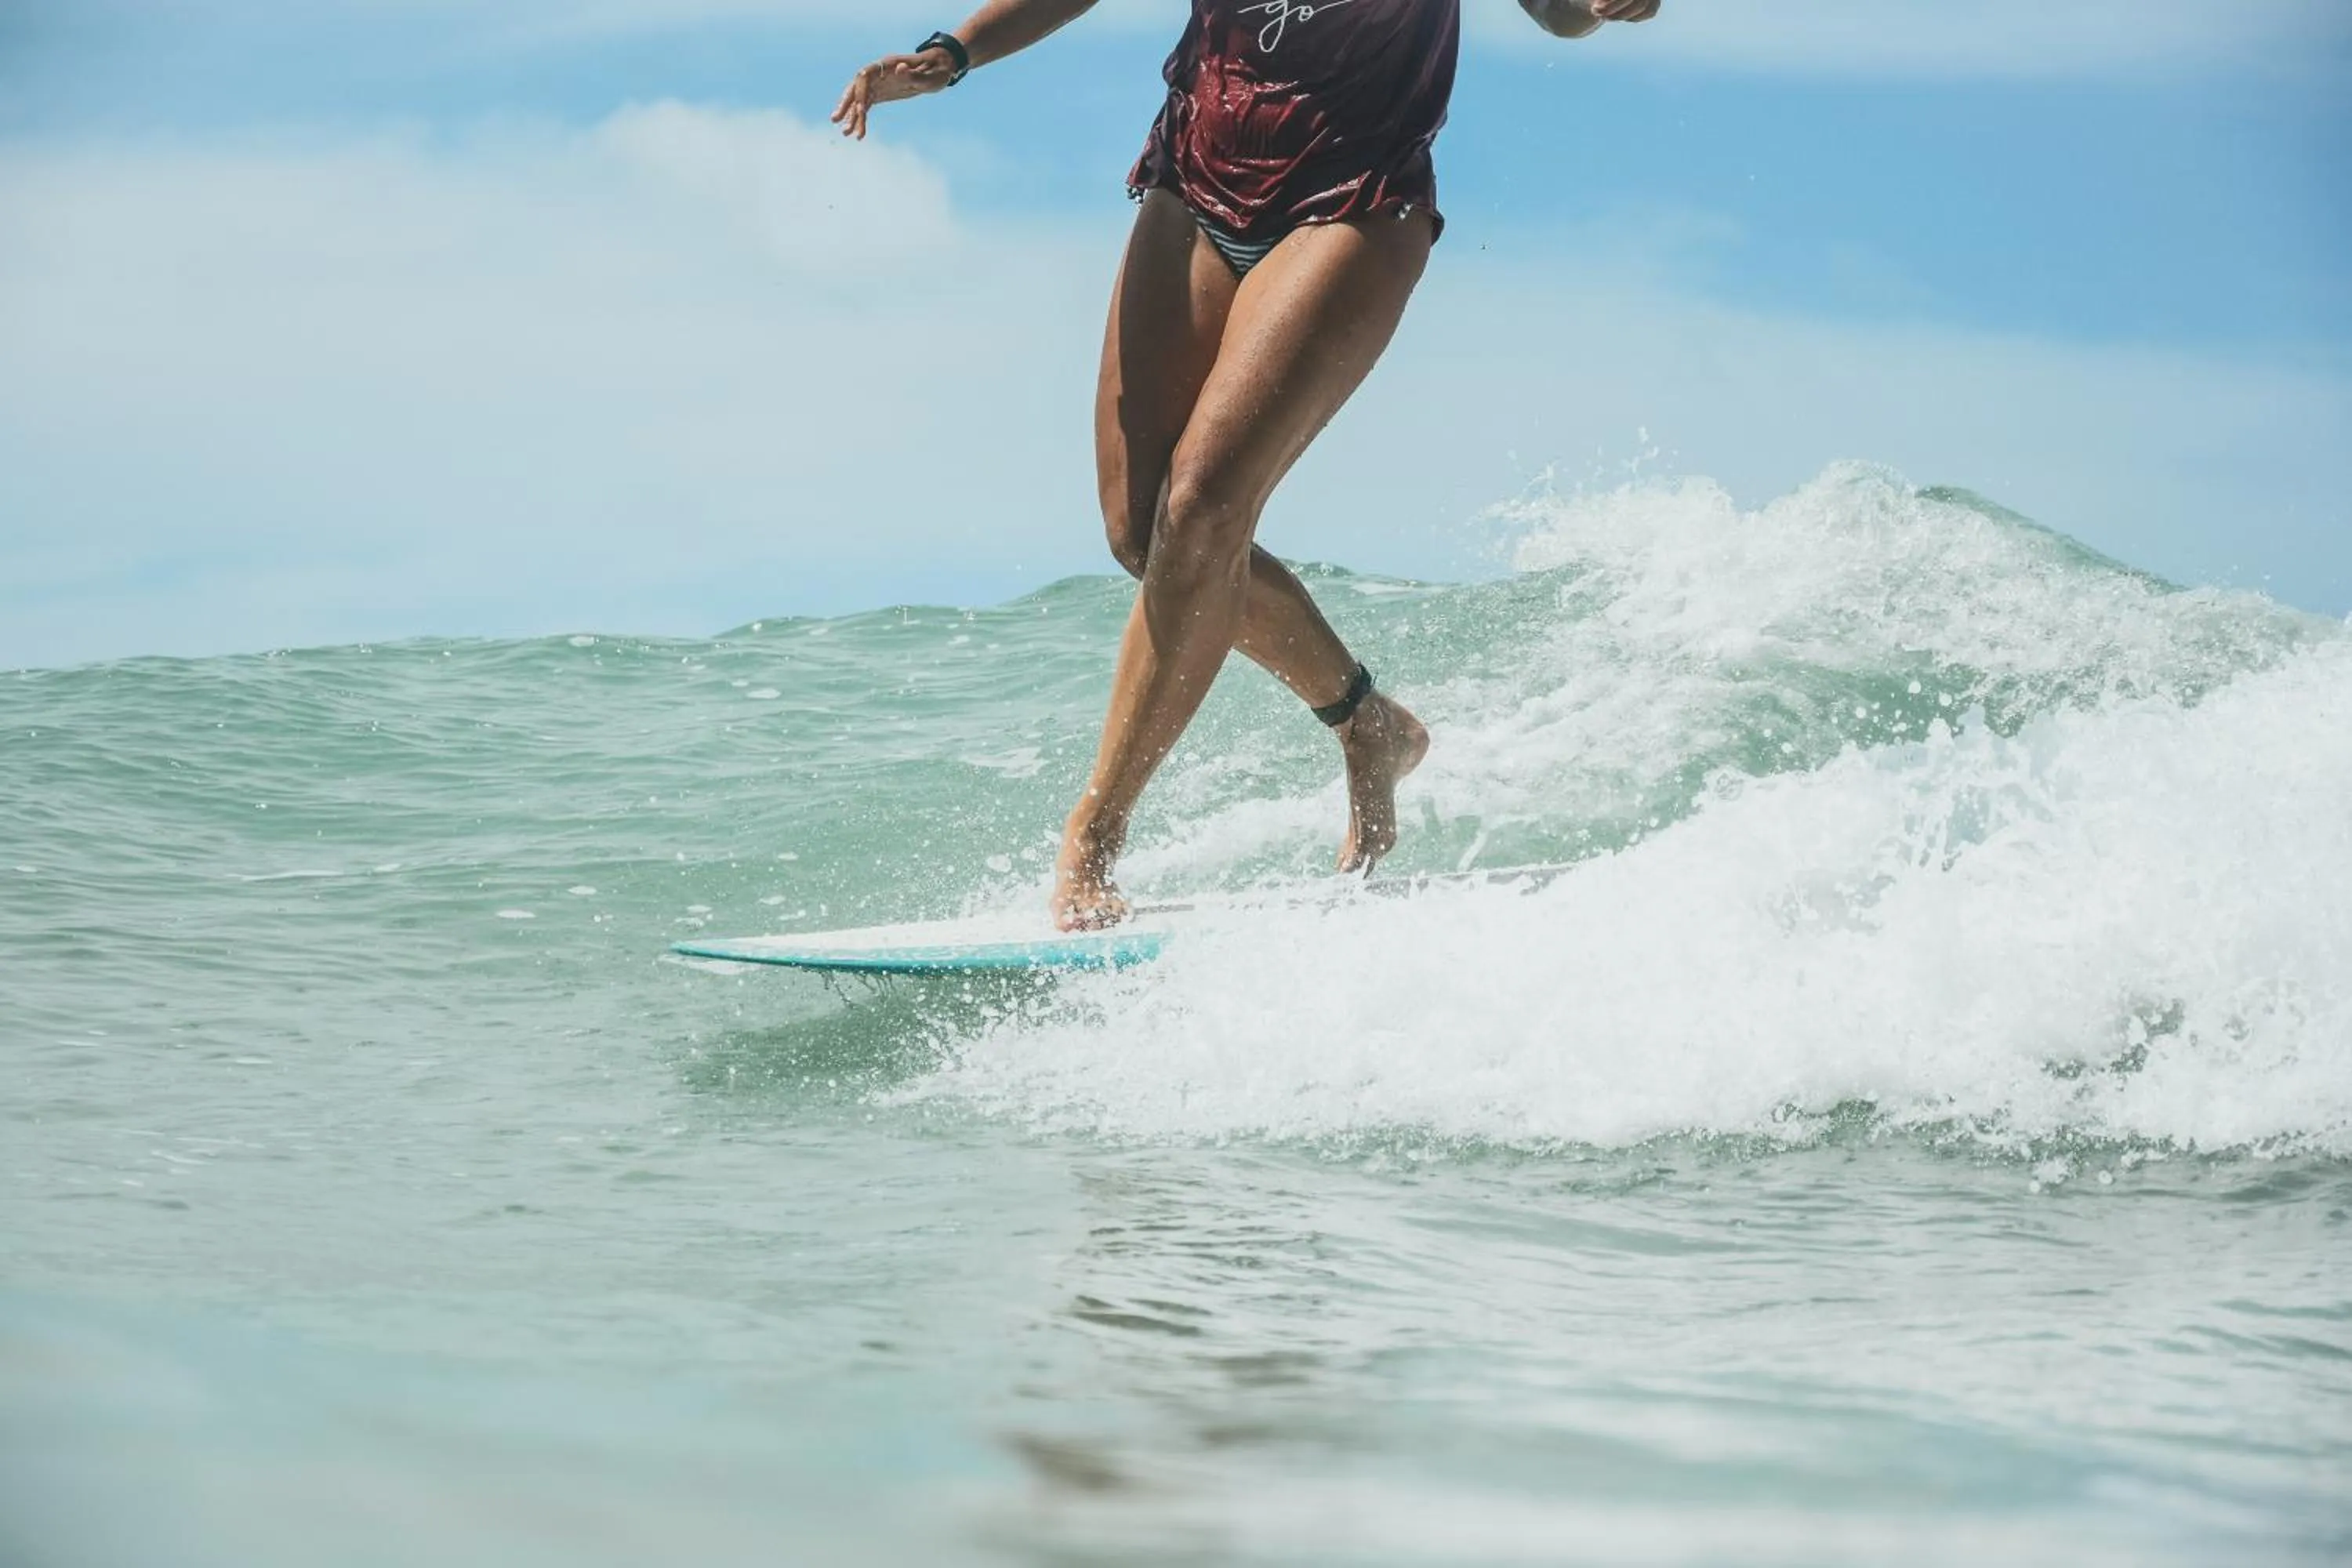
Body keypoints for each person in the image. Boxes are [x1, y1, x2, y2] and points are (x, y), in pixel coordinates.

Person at [836, 0, 1661, 930]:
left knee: (1202, 507)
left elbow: (1557, 13)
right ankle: (1369, 724)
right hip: (1196, 186)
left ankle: (1095, 832)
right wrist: (953, 54)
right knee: (1142, 533)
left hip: (1354, 199)